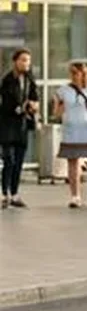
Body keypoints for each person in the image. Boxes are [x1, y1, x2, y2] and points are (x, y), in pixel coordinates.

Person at [53, 62, 87, 208]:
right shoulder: (63, 90)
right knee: (72, 162)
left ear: (83, 73)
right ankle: (75, 196)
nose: (73, 76)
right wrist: (59, 107)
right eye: (71, 73)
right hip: (70, 130)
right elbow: (56, 112)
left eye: (76, 73)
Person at [0, 48, 38, 209]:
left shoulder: (29, 78)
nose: (26, 63)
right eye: (23, 60)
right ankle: (4, 193)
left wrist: (34, 106)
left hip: (23, 124)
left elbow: (35, 96)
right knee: (9, 159)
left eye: (28, 60)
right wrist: (20, 107)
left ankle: (15, 193)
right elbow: (7, 103)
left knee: (19, 161)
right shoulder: (8, 79)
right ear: (15, 61)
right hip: (8, 125)